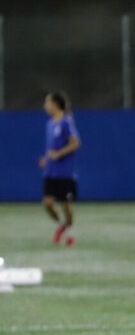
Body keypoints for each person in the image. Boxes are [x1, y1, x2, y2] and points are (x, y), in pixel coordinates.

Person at [38, 91, 81, 247]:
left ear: (55, 104)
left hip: (65, 172)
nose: (45, 105)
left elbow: (75, 143)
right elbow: (51, 147)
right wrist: (46, 159)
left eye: (47, 102)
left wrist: (59, 154)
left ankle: (70, 234)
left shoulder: (66, 122)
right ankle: (62, 225)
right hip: (50, 171)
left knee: (66, 205)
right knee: (47, 203)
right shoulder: (50, 123)